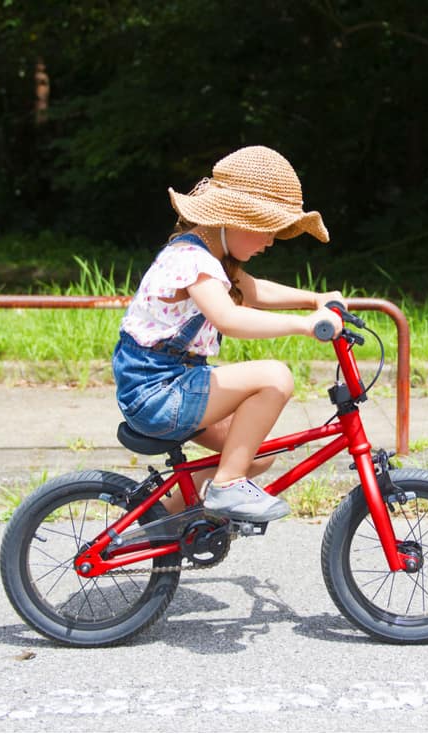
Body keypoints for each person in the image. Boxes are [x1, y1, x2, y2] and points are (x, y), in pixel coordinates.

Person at [112, 146, 342, 523]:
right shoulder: (193, 260)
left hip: (173, 383)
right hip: (157, 391)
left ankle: (163, 521)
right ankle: (226, 485)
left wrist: (315, 298)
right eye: (267, 229)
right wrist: (304, 326)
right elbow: (229, 318)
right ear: (234, 219)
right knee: (274, 378)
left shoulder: (212, 257)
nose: (271, 241)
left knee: (259, 453)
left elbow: (256, 291)